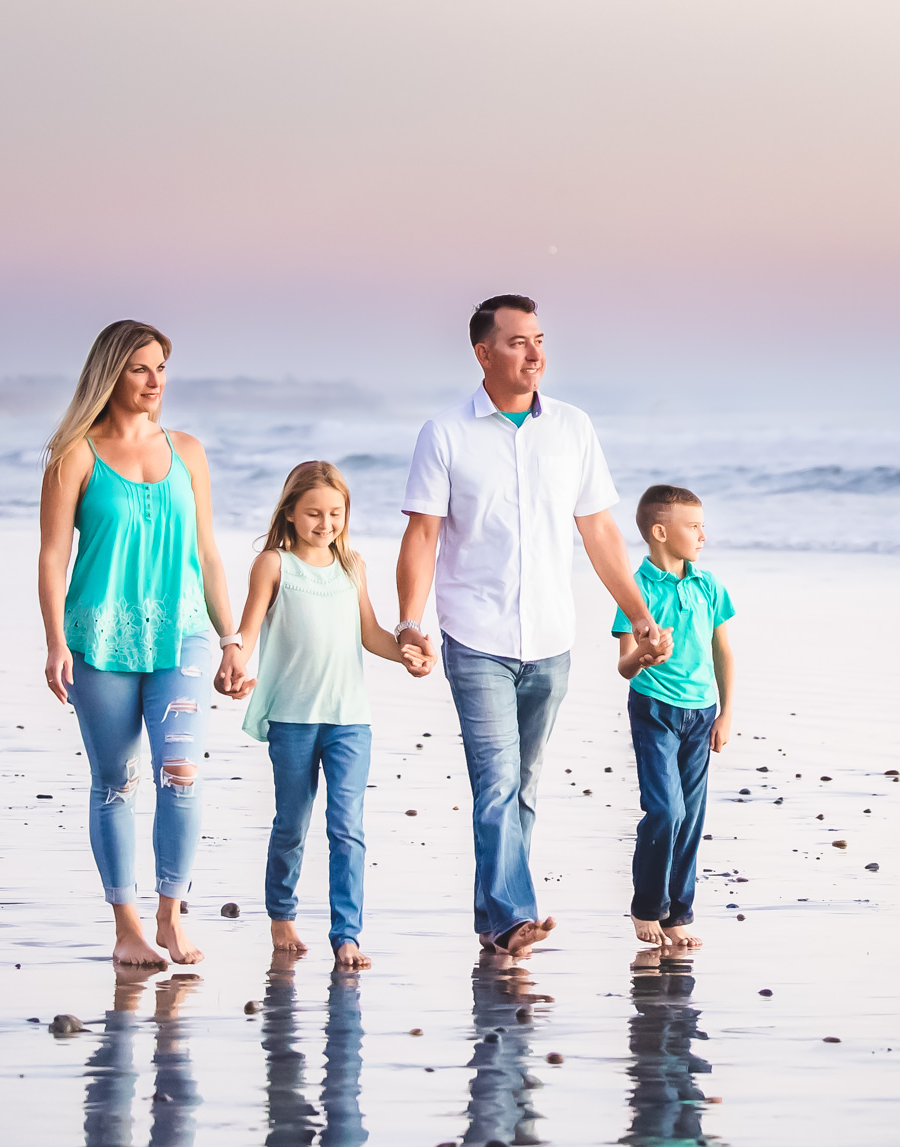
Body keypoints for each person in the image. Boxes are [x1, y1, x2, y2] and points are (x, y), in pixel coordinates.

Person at [396, 294, 671, 956]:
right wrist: (409, 621)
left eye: (540, 339)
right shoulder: (446, 434)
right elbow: (423, 535)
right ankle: (517, 913)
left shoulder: (573, 428)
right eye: (518, 341)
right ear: (483, 353)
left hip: (551, 639)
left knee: (522, 789)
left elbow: (600, 531)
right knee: (495, 783)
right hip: (475, 635)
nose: (535, 352)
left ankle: (495, 924)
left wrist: (639, 614)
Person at [37, 319, 243, 968]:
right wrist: (53, 642)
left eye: (160, 368)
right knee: (114, 782)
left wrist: (232, 637)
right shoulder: (75, 454)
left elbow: (208, 551)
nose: (154, 381)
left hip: (181, 633)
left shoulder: (188, 450)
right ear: (110, 374)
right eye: (140, 368)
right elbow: (50, 557)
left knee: (180, 772)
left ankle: (170, 914)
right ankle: (127, 927)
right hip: (98, 640)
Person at [217, 461, 433, 970]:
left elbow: (370, 633)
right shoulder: (274, 564)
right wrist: (234, 661)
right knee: (292, 823)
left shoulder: (351, 565)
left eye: (335, 513)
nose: (325, 523)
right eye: (314, 513)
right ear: (290, 513)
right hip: (292, 718)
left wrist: (404, 652)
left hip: (349, 719)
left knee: (347, 827)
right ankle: (282, 913)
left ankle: (347, 935)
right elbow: (248, 632)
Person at [614, 484, 737, 949]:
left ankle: (678, 912)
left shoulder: (710, 586)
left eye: (703, 526)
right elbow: (624, 665)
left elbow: (722, 650)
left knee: (692, 817)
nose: (703, 535)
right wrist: (644, 656)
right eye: (694, 527)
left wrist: (726, 713)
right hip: (654, 709)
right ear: (661, 532)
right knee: (666, 810)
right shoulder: (636, 589)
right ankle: (647, 906)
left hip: (702, 712)